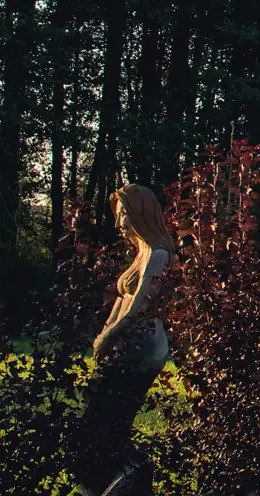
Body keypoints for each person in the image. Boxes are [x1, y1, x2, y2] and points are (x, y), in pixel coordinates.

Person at [75, 183, 174, 496]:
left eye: (124, 216)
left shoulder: (158, 254)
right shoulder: (142, 254)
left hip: (144, 347)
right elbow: (121, 304)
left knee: (111, 418)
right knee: (99, 418)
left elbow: (138, 307)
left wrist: (107, 336)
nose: (119, 224)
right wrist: (107, 331)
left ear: (141, 214)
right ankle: (108, 480)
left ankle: (132, 474)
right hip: (127, 345)